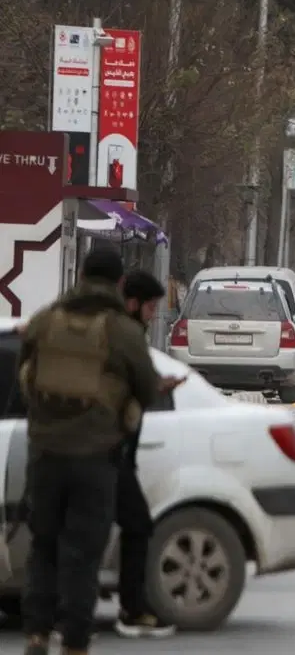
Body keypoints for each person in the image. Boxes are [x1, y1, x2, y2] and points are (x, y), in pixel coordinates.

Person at [20, 249, 180, 655]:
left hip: (45, 454)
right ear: (116, 283)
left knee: (44, 544)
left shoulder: (47, 319)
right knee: (82, 551)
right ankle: (74, 639)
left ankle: (37, 632)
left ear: (82, 275)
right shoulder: (121, 331)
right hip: (95, 457)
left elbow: (26, 371)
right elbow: (145, 387)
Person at [114, 271, 179, 638]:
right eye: (152, 306)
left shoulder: (118, 331)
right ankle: (132, 607)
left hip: (115, 450)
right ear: (134, 303)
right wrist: (156, 387)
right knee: (136, 526)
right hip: (111, 451)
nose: (154, 314)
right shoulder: (124, 335)